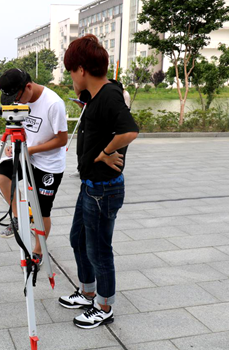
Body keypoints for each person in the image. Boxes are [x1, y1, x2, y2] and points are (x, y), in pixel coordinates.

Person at [58, 34, 139, 329]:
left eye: (70, 71)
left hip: (103, 189)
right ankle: (88, 291)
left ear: (81, 69)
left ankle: (104, 305)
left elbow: (129, 130)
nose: (70, 77)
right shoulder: (97, 96)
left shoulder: (108, 94)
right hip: (91, 186)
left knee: (99, 249)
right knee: (78, 240)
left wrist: (105, 153)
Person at [0, 68, 68, 265]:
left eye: (17, 97)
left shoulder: (53, 104)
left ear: (27, 86)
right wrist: (12, 144)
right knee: (2, 175)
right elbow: (16, 126)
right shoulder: (20, 99)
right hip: (26, 155)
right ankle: (19, 217)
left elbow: (62, 139)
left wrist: (32, 150)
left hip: (48, 164)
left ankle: (38, 250)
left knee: (41, 210)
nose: (17, 103)